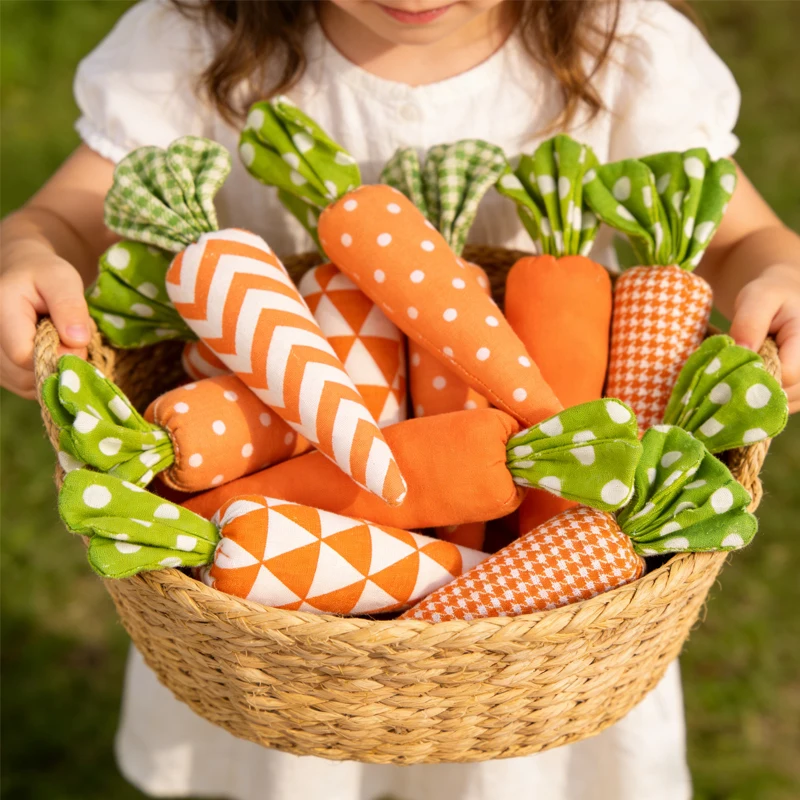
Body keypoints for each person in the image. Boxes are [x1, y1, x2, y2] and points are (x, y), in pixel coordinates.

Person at [1, 1, 798, 798]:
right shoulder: (187, 45)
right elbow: (66, 217)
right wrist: (29, 247)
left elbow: (736, 240)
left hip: (546, 645)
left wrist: (777, 267)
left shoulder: (623, 45)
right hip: (285, 650)